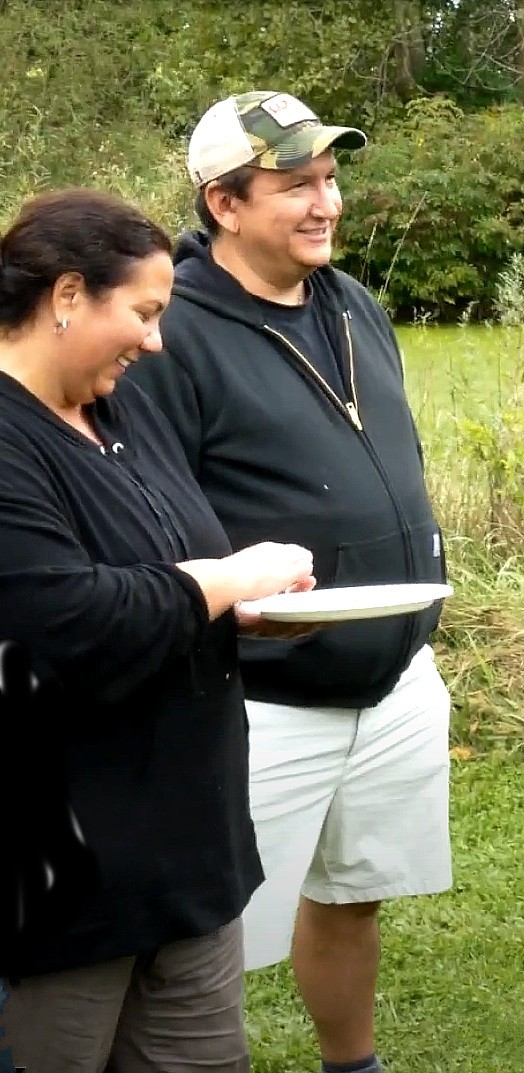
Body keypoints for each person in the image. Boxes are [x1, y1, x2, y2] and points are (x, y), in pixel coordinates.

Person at [124, 91, 453, 1073]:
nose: (325, 203)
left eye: (331, 178)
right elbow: (146, 511)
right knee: (211, 933)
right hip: (261, 695)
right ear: (224, 204)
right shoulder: (170, 332)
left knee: (354, 891)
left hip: (393, 671)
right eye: (295, 184)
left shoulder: (349, 302)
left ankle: (352, 1063)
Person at [0, 189, 316, 1071]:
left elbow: (169, 568)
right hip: (64, 886)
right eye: (141, 312)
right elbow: (64, 622)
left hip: (185, 861)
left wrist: (241, 607)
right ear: (66, 296)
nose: (156, 340)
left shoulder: (120, 410)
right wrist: (225, 579)